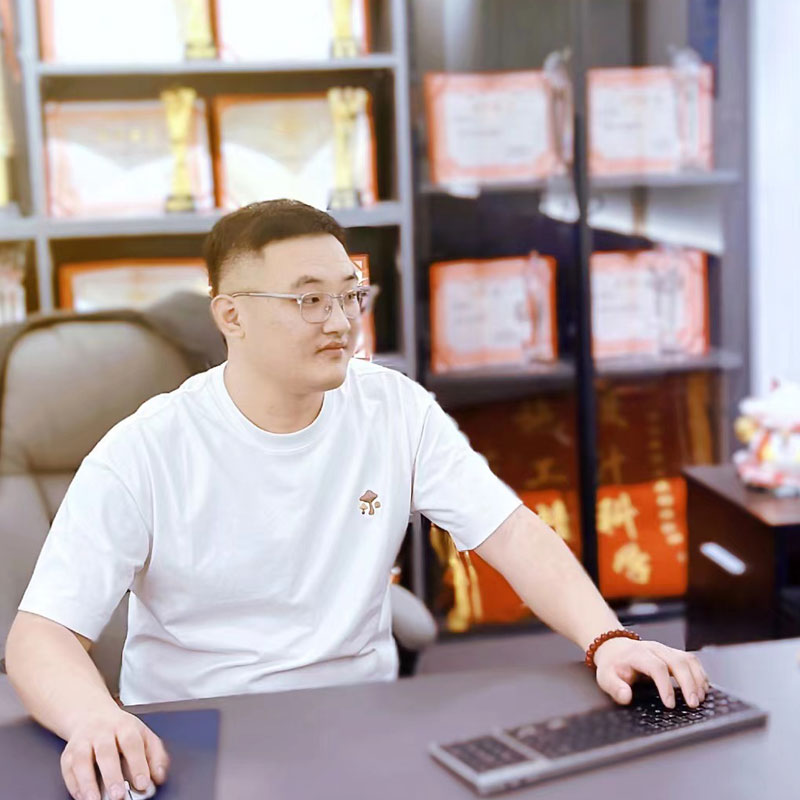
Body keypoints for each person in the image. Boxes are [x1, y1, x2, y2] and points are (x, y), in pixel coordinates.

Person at [4, 199, 709, 800]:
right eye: (309, 300)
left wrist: (608, 639)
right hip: (199, 730)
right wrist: (95, 717)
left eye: (350, 295)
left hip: (360, 717)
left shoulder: (393, 409)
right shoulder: (146, 450)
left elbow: (512, 533)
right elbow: (41, 637)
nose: (340, 321)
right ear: (231, 316)